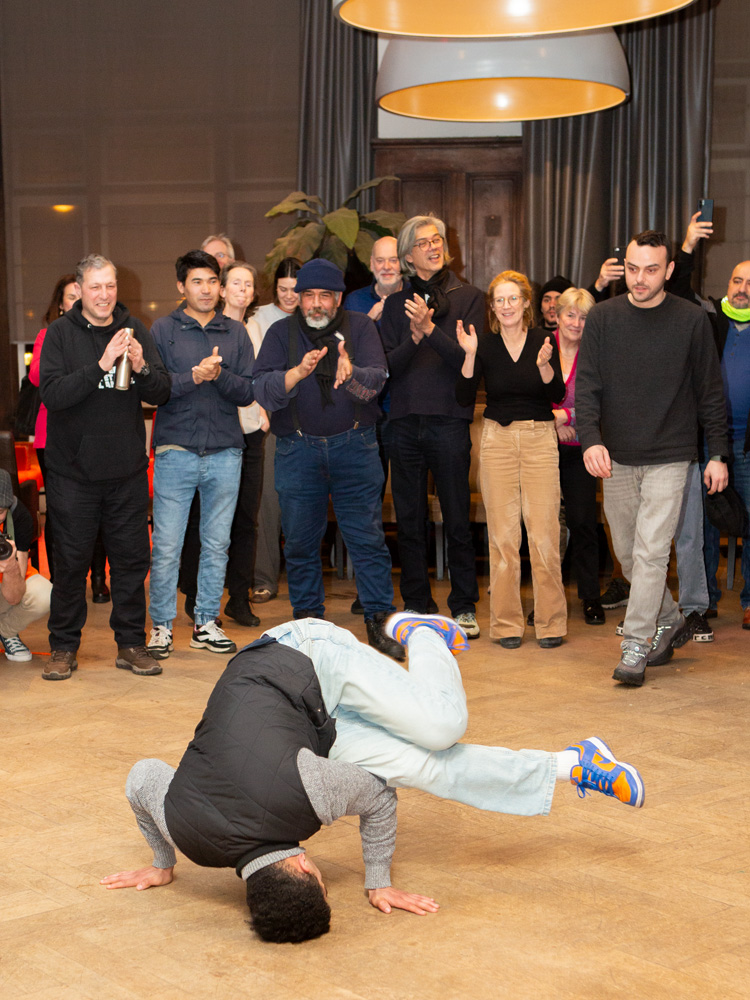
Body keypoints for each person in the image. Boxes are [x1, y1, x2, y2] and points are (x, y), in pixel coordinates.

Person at [101, 613, 645, 944]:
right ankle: (573, 763)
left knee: (442, 728)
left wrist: (377, 880)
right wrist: (164, 862)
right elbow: (141, 777)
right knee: (429, 768)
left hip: (302, 654)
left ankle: (423, 633)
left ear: (304, 867)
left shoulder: (306, 795)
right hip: (309, 729)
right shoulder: (187, 834)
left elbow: (380, 800)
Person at [576, 231, 729, 686]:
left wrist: (717, 454)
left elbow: (710, 393)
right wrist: (590, 440)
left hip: (671, 455)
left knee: (651, 552)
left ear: (669, 270)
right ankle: (670, 617)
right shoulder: (602, 317)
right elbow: (587, 386)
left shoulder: (691, 320)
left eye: (651, 269)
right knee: (627, 554)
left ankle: (636, 644)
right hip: (617, 456)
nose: (639, 279)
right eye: (633, 268)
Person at [253, 258, 402, 659]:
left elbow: (376, 382)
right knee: (300, 542)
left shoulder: (362, 328)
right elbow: (262, 388)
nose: (316, 303)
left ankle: (379, 619)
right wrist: (296, 373)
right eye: (308, 295)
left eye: (324, 295)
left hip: (355, 448)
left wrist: (350, 374)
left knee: (367, 539)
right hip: (297, 450)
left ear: (338, 298)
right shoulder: (280, 333)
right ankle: (308, 624)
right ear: (298, 298)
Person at [39, 253, 170, 680]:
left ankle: (131, 645)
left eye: (110, 286)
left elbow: (161, 392)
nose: (104, 294)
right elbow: (52, 395)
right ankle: (63, 648)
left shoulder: (136, 330)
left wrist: (141, 365)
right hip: (72, 474)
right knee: (70, 564)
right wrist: (101, 364)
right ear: (80, 290)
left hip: (126, 472)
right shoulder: (59, 334)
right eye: (95, 286)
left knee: (131, 564)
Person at [147, 250, 255, 660]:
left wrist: (219, 375)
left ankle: (206, 622)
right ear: (181, 286)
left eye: (212, 281)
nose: (206, 289)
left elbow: (247, 391)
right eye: (197, 281)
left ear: (220, 287)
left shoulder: (236, 332)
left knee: (216, 544)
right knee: (167, 546)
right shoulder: (163, 329)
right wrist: (193, 377)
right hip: (175, 450)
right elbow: (154, 389)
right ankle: (161, 626)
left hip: (226, 451)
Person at [380, 214, 481, 636]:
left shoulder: (469, 297)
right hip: (403, 423)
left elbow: (468, 363)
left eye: (437, 239)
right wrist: (415, 337)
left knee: (457, 517)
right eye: (423, 242)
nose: (433, 246)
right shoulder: (393, 306)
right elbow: (385, 368)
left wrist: (430, 330)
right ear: (408, 256)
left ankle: (464, 605)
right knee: (409, 520)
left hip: (450, 421)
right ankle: (417, 602)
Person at [457, 270, 567, 648]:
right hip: (497, 441)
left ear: (525, 303)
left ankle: (550, 623)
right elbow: (463, 395)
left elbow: (557, 392)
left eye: (512, 299)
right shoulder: (484, 344)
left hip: (539, 439)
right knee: (503, 538)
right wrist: (470, 355)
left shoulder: (543, 340)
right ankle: (506, 624)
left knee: (544, 535)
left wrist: (544, 365)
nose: (506, 306)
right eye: (499, 300)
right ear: (492, 307)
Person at [669, 212, 750, 630]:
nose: (742, 288)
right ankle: (705, 600)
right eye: (737, 280)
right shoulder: (709, 316)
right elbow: (678, 290)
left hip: (749, 446)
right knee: (700, 526)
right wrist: (687, 246)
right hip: (707, 440)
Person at [29, 275, 110, 601]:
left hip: (96, 434)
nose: (79, 301)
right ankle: (60, 581)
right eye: (71, 297)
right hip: (53, 436)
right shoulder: (49, 335)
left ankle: (99, 579)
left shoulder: (103, 334)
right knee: (60, 511)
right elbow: (37, 375)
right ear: (61, 306)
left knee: (100, 508)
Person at [550, 287, 605, 625]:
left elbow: (601, 403)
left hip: (580, 451)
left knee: (583, 523)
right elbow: (528, 395)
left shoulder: (595, 353)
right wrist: (554, 424)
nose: (576, 322)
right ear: (557, 315)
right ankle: (547, 599)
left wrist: (566, 417)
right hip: (542, 450)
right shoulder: (540, 347)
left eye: (584, 317)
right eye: (570, 314)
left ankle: (590, 597)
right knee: (544, 527)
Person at [250, 257, 302, 605]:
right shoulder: (259, 319)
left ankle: (301, 581)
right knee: (267, 503)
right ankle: (264, 579)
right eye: (283, 289)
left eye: (295, 290)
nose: (289, 296)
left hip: (306, 422)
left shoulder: (316, 317)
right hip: (271, 419)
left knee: (302, 504)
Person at [0, 470, 52, 662]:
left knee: (43, 595)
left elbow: (15, 597)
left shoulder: (19, 516)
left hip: (6, 587)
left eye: (0, 512)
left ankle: (6, 631)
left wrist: (10, 567)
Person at [344, 235, 408, 324]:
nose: (386, 267)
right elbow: (348, 333)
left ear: (404, 263)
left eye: (393, 260)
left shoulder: (418, 297)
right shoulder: (354, 301)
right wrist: (369, 319)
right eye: (380, 261)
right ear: (372, 264)